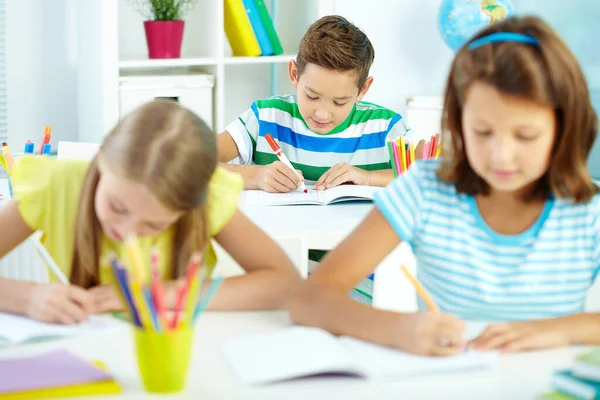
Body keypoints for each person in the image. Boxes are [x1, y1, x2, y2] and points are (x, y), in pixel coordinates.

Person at [289, 15, 600, 356]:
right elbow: (309, 300)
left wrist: (555, 330)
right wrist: (397, 328)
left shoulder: (589, 210)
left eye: (526, 135)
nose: (501, 156)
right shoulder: (425, 189)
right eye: (482, 131)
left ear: (563, 128)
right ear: (458, 120)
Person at [0, 100, 300, 324]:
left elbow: (285, 284)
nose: (128, 231)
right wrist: (26, 297)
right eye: (117, 206)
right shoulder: (58, 185)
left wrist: (155, 295)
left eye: (154, 225)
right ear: (102, 161)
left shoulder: (206, 196)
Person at [218, 15, 414, 193]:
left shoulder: (385, 128)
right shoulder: (265, 117)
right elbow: (193, 163)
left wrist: (368, 177)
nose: (322, 114)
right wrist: (255, 177)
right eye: (312, 96)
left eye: (339, 102)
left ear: (363, 89)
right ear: (295, 74)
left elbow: (430, 175)